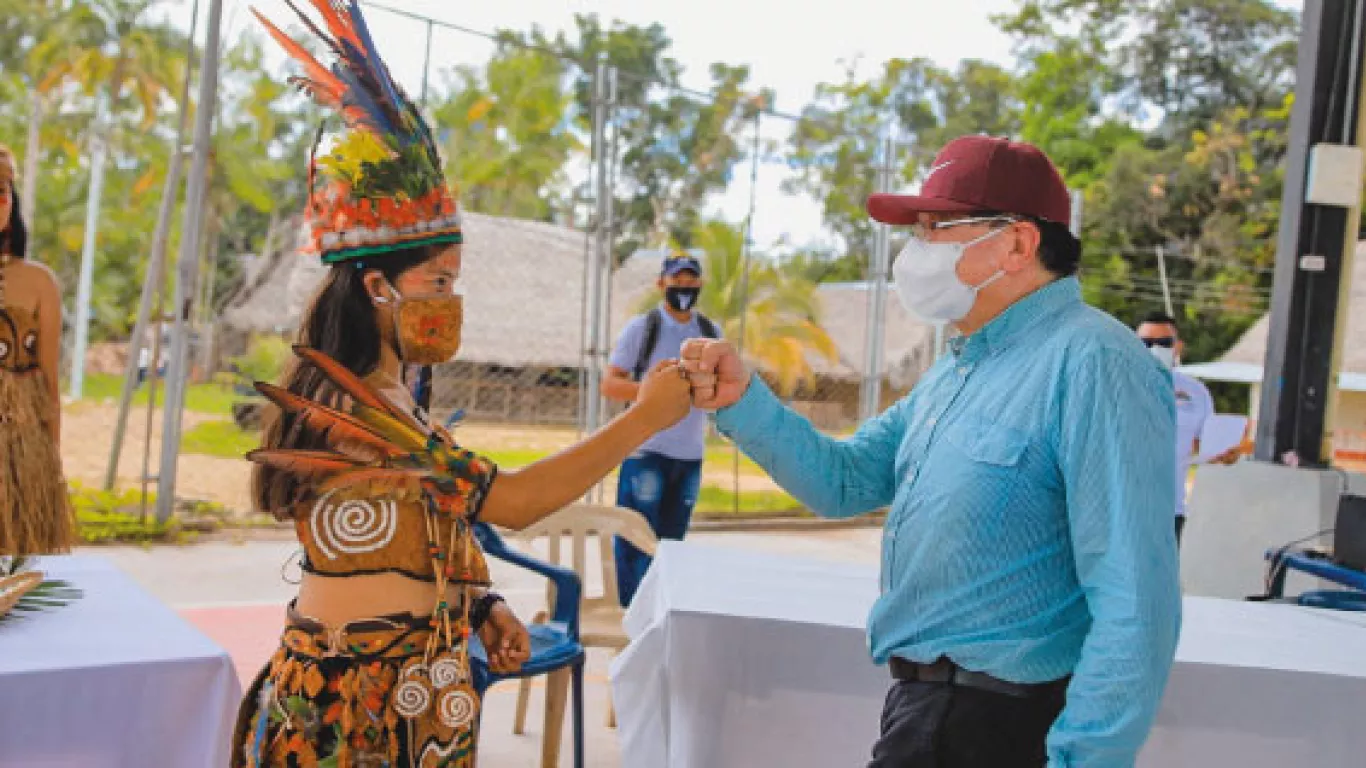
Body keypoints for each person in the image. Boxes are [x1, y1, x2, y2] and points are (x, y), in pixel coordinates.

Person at [231, 4, 692, 765]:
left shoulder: (394, 399)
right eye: (437, 280)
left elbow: (421, 520)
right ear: (378, 288)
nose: (451, 298)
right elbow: (506, 502)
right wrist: (644, 418)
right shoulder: (358, 412)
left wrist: (480, 605)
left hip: (413, 693)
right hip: (356, 714)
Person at [682, 136, 1181, 767]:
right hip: (928, 713)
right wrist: (743, 401)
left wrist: (1086, 758)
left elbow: (1135, 594)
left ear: (1019, 244)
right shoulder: (960, 367)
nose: (916, 250)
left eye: (938, 228)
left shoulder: (1095, 364)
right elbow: (847, 480)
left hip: (1005, 723)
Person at [601, 252, 720, 605]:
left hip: (689, 456)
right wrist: (655, 393)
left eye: (690, 281)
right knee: (635, 539)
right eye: (676, 280)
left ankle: (659, 614)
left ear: (699, 285)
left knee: (670, 546)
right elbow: (610, 384)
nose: (683, 287)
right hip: (647, 451)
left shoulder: (710, 334)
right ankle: (630, 614)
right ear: (661, 284)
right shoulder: (643, 329)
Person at [0, 143, 74, 555]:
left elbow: (48, 381)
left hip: (21, 453)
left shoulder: (39, 282)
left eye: (3, 191)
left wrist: (50, 465)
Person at [1135, 311, 1237, 545]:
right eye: (1146, 343)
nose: (1154, 349)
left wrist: (1226, 455)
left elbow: (1207, 447)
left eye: (1164, 343)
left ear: (1178, 347)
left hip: (1170, 511)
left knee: (1160, 580)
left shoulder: (1196, 393)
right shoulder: (1111, 386)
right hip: (1118, 510)